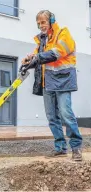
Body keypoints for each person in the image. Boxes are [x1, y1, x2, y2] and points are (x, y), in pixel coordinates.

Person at [21, 10, 83, 161]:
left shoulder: (63, 33)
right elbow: (38, 56)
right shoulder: (42, 40)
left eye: (43, 22)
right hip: (47, 82)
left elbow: (58, 52)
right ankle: (60, 148)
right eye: (38, 23)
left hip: (63, 80)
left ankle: (76, 148)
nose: (40, 25)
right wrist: (28, 59)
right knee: (52, 117)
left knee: (66, 114)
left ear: (51, 20)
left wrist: (37, 57)